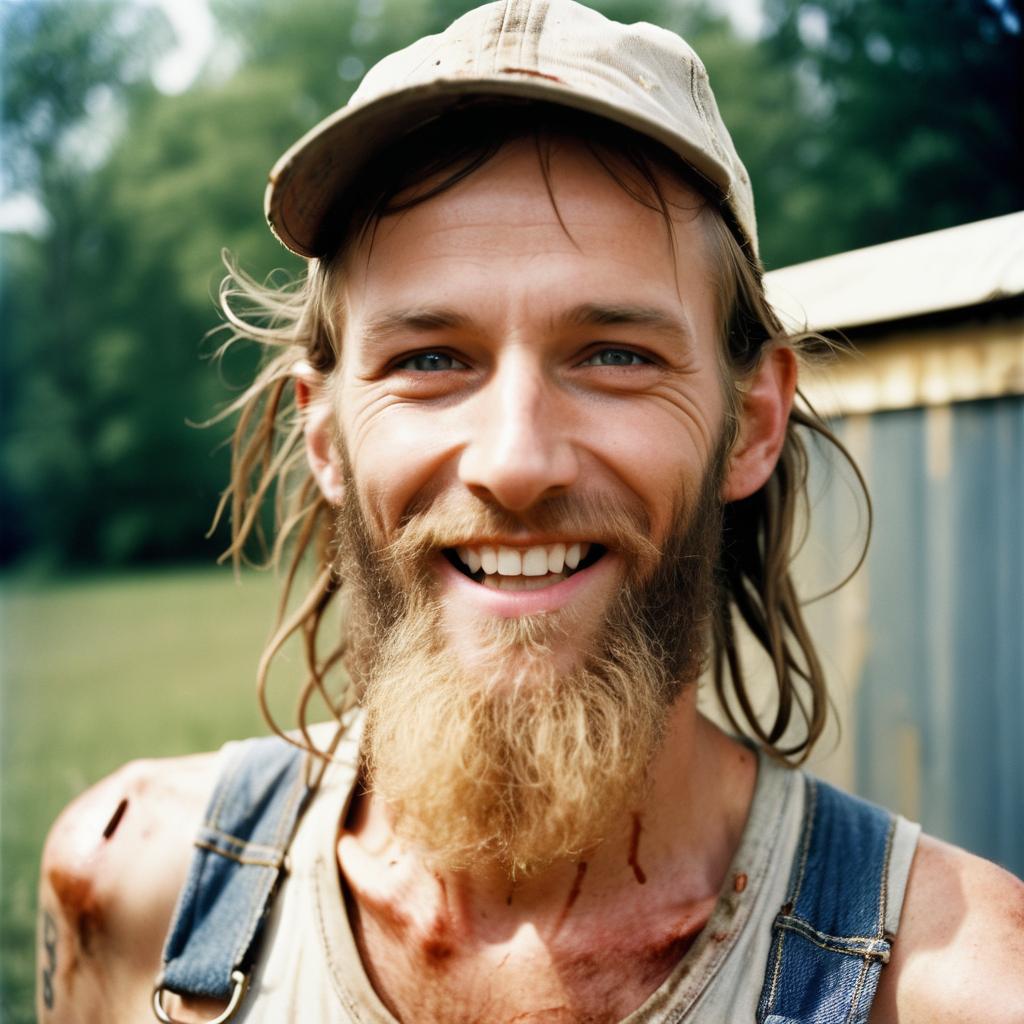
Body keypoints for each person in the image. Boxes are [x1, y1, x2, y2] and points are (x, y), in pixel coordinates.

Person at [37, 2, 1024, 1022]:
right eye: (428, 359)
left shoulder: (966, 989)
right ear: (324, 434)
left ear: (751, 424)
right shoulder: (129, 886)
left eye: (614, 355)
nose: (514, 462)